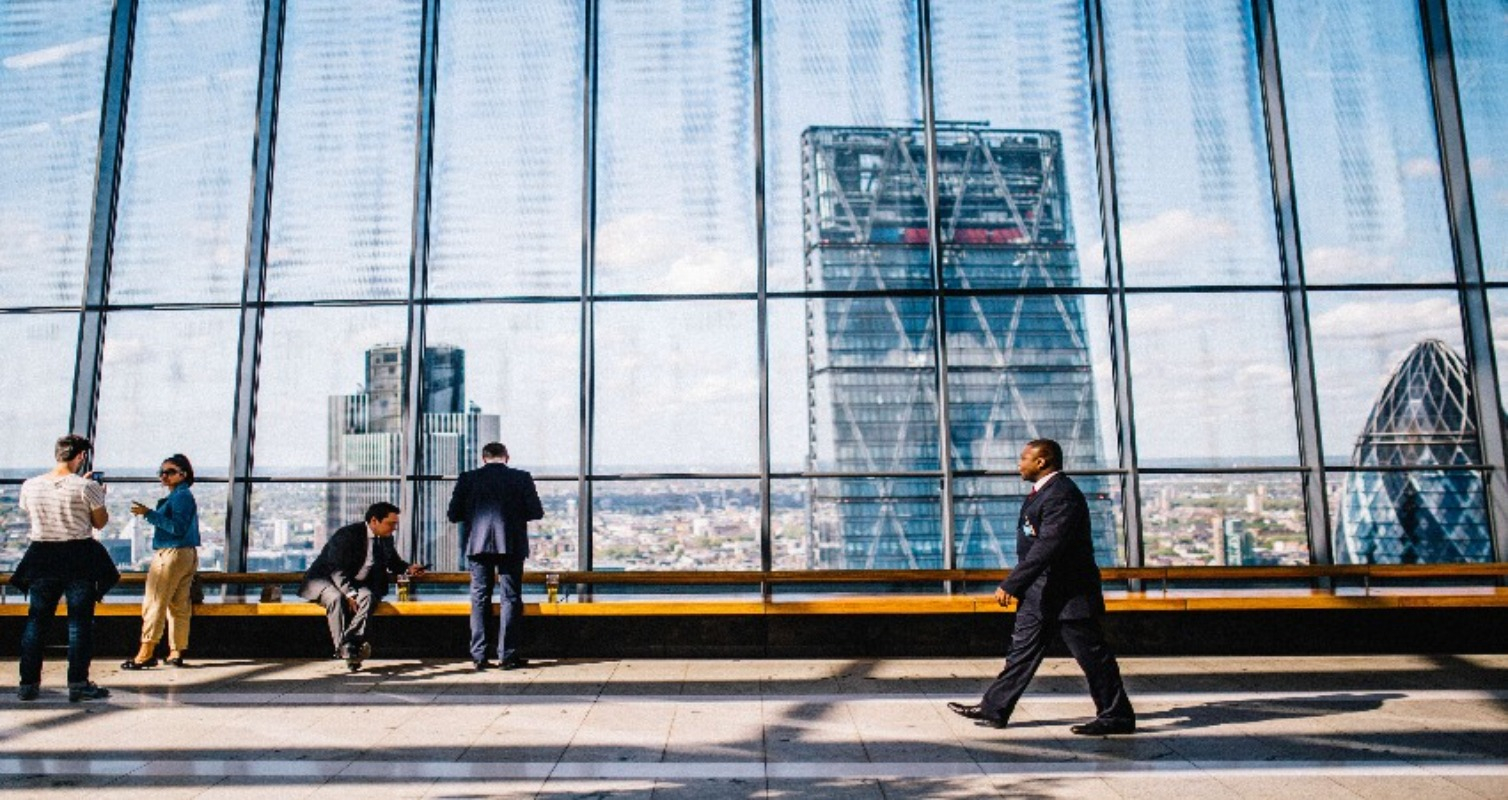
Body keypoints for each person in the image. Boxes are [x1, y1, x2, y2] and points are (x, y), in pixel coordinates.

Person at [948, 438, 1136, 735]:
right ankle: (994, 707)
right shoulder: (1043, 493)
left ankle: (1116, 715)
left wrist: (1011, 583)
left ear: (1042, 462)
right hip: (1040, 593)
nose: (1018, 464)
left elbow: (1048, 546)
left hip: (1068, 594)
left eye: (1024, 458)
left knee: (1092, 656)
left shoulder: (1062, 495)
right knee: (1021, 652)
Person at [12, 434, 119, 702]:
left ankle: (28, 684)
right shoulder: (87, 487)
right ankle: (78, 682)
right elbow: (100, 523)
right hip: (78, 558)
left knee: (37, 621)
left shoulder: (30, 486)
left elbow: (30, 512)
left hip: (42, 556)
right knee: (79, 624)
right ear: (81, 456)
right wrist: (98, 495)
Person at [447, 442, 543, 671]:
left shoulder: (467, 478)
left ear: (483, 458)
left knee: (479, 597)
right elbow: (535, 511)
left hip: (477, 545)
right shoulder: (521, 478)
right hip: (510, 544)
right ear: (506, 457)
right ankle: (507, 655)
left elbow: (453, 514)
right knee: (510, 598)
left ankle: (479, 656)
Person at [298, 502, 425, 671]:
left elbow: (393, 562)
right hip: (324, 579)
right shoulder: (347, 535)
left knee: (368, 597)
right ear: (374, 521)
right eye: (390, 523)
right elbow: (336, 569)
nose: (394, 528)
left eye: (395, 524)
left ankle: (350, 644)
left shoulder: (386, 539)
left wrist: (408, 568)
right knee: (336, 599)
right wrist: (349, 593)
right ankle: (347, 650)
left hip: (354, 582)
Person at [122, 454, 200, 670]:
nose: (164, 476)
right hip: (186, 554)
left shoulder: (181, 497)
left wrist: (149, 514)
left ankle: (146, 652)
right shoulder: (182, 495)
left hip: (171, 554)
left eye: (170, 472)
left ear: (183, 474)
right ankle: (176, 651)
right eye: (162, 472)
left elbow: (176, 527)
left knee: (155, 602)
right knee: (179, 605)